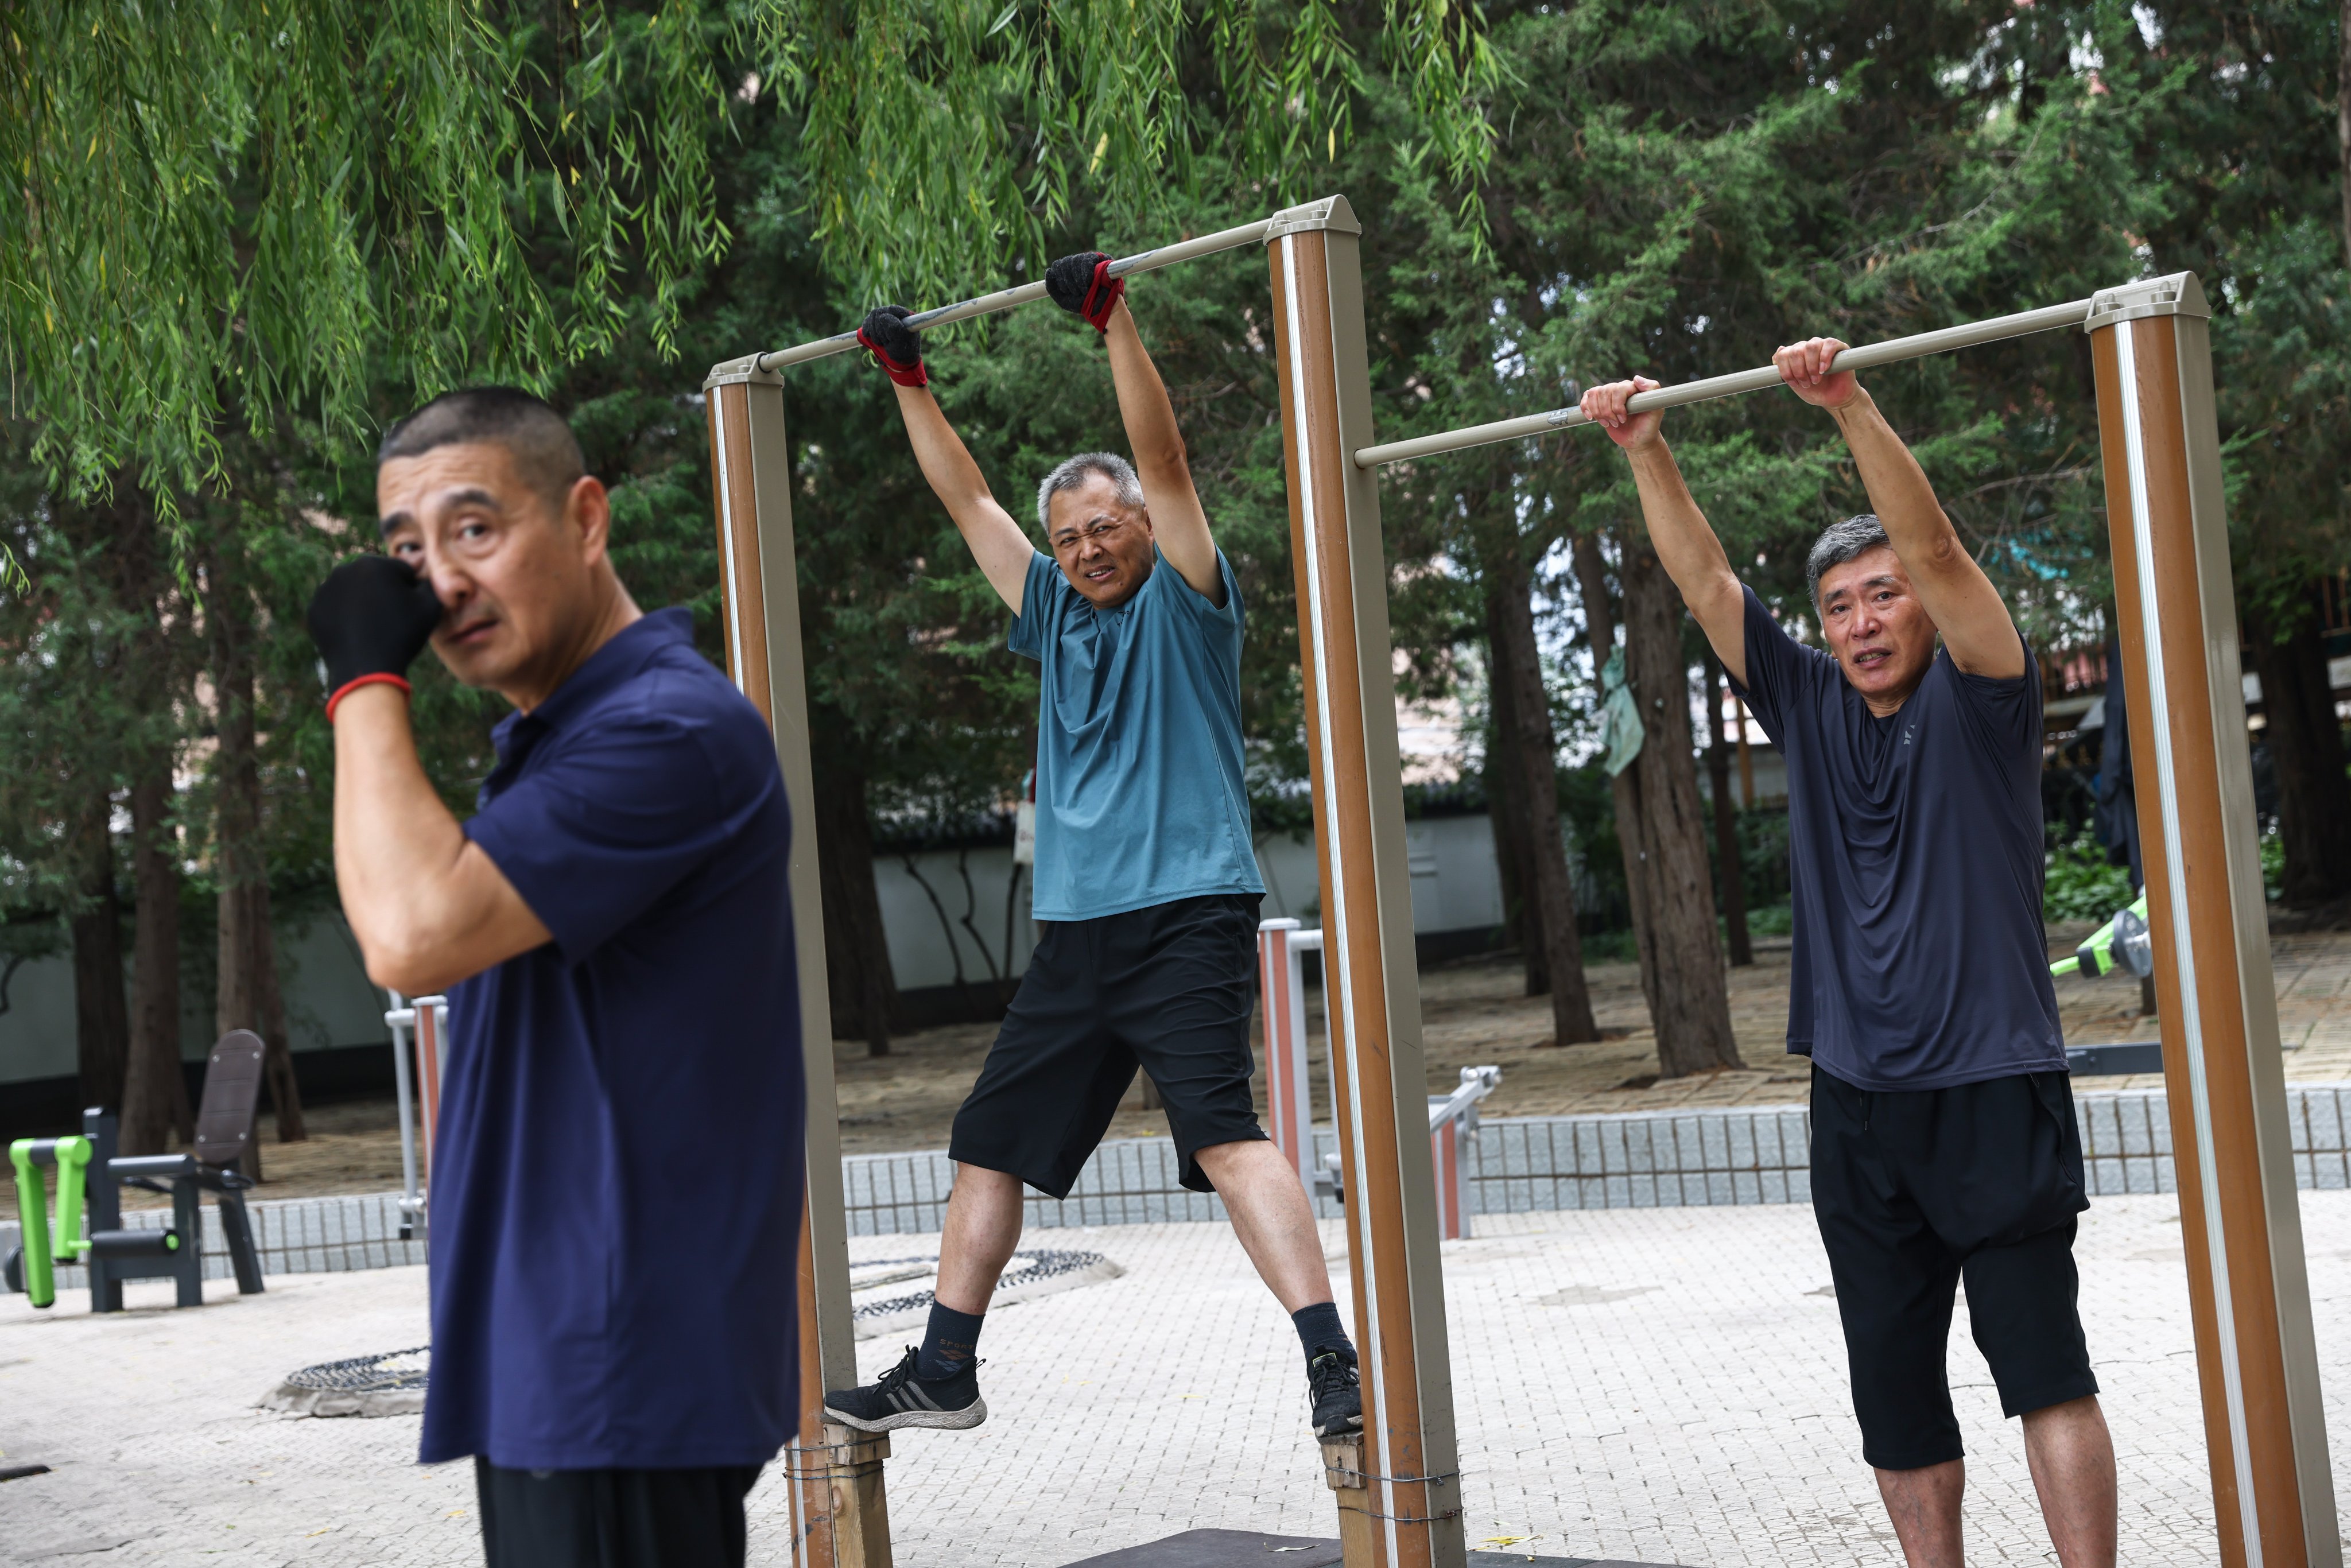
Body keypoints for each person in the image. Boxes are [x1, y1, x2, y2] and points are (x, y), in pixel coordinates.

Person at [1580, 343, 2117, 1568]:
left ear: (1922, 604)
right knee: (1893, 1394)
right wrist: (1643, 449)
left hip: (1989, 1088)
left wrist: (1847, 405)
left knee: (2042, 1370)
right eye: (1838, 606)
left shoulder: (1984, 695)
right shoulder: (1812, 702)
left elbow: (1940, 551)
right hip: (1857, 1105)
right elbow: (1707, 582)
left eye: (1883, 595)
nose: (1863, 622)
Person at [820, 252, 1363, 1441]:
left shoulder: (1187, 600)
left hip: (1186, 917)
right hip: (1074, 935)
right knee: (986, 1146)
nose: (1084, 550)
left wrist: (1113, 321)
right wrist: (910, 382)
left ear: (1143, 528)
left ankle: (1333, 1362)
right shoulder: (1051, 610)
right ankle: (944, 1369)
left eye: (1104, 528)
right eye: (1067, 537)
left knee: (1223, 1136)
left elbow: (1164, 459)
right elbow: (968, 502)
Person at [307, 388, 804, 1568]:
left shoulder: (666, 732)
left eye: (475, 529)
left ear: (586, 518)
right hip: (568, 1362)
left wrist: (360, 681)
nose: (440, 584)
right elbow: (404, 914)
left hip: (616, 1366)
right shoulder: (564, 743)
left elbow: (408, 934)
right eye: (406, 553)